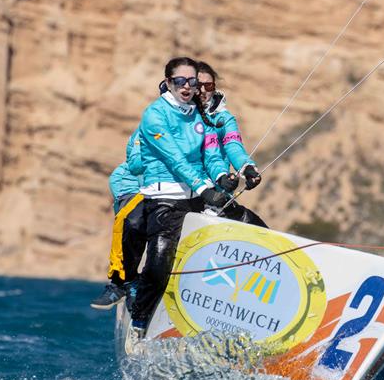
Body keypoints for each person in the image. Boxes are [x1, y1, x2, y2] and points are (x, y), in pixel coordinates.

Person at [128, 57, 231, 337]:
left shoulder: (200, 114)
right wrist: (202, 187)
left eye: (192, 82)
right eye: (180, 81)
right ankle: (138, 318)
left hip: (196, 197)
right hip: (165, 201)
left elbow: (211, 154)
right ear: (168, 82)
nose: (187, 87)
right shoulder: (154, 115)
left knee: (248, 223)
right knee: (160, 262)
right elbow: (175, 159)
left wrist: (221, 179)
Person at [196, 61, 268, 227]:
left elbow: (233, 146)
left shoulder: (224, 118)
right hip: (193, 193)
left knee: (259, 228)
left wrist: (247, 169)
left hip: (218, 195)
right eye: (199, 85)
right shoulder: (183, 116)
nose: (203, 91)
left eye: (208, 86)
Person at [90, 134, 147, 310]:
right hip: (139, 188)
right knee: (132, 223)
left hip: (183, 188)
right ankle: (123, 281)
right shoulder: (154, 120)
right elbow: (137, 164)